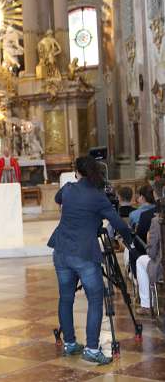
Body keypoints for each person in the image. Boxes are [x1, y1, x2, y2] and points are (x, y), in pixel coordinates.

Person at [48, 156, 132, 365]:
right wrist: (129, 238)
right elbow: (116, 222)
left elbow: (58, 198)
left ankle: (69, 343)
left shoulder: (67, 189)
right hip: (84, 253)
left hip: (61, 250)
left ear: (78, 172)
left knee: (66, 298)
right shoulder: (98, 196)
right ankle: (92, 349)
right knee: (95, 299)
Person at [136, 214, 163, 315]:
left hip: (162, 267)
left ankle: (146, 305)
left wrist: (148, 240)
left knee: (140, 260)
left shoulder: (157, 221)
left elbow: (151, 253)